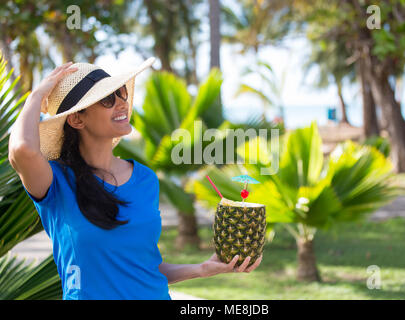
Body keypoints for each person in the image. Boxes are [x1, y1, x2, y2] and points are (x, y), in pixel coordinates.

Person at [8, 58, 262, 300]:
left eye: (121, 93)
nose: (121, 103)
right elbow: (22, 149)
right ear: (76, 119)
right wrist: (37, 95)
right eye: (107, 98)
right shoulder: (56, 182)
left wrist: (202, 269)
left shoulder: (145, 179)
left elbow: (144, 267)